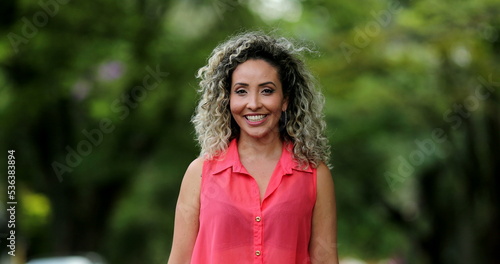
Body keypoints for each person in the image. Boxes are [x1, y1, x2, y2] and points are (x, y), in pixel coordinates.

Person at [167, 32, 338, 264]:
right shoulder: (200, 173)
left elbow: (325, 259)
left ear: (285, 99)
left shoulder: (315, 175)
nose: (254, 103)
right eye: (241, 91)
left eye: (267, 90)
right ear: (226, 99)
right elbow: (179, 260)